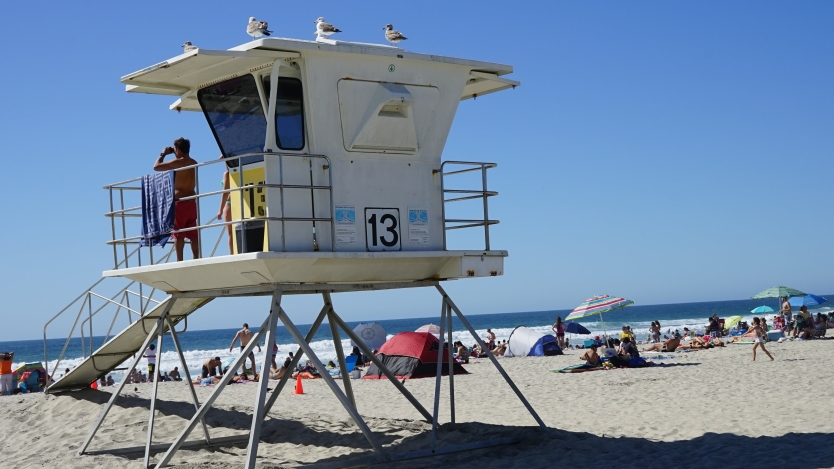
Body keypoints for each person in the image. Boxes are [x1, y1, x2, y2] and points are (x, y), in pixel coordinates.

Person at [154, 137, 199, 261]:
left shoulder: (179, 162)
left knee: (178, 234)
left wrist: (163, 153)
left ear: (178, 149)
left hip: (181, 203)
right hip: (192, 202)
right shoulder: (194, 162)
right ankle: (197, 258)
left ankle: (179, 261)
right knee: (193, 234)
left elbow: (156, 167)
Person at [216, 157, 235, 255]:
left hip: (229, 204)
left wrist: (220, 210)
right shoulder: (239, 170)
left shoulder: (227, 174)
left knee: (230, 233)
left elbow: (225, 193)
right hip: (236, 202)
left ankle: (232, 254)